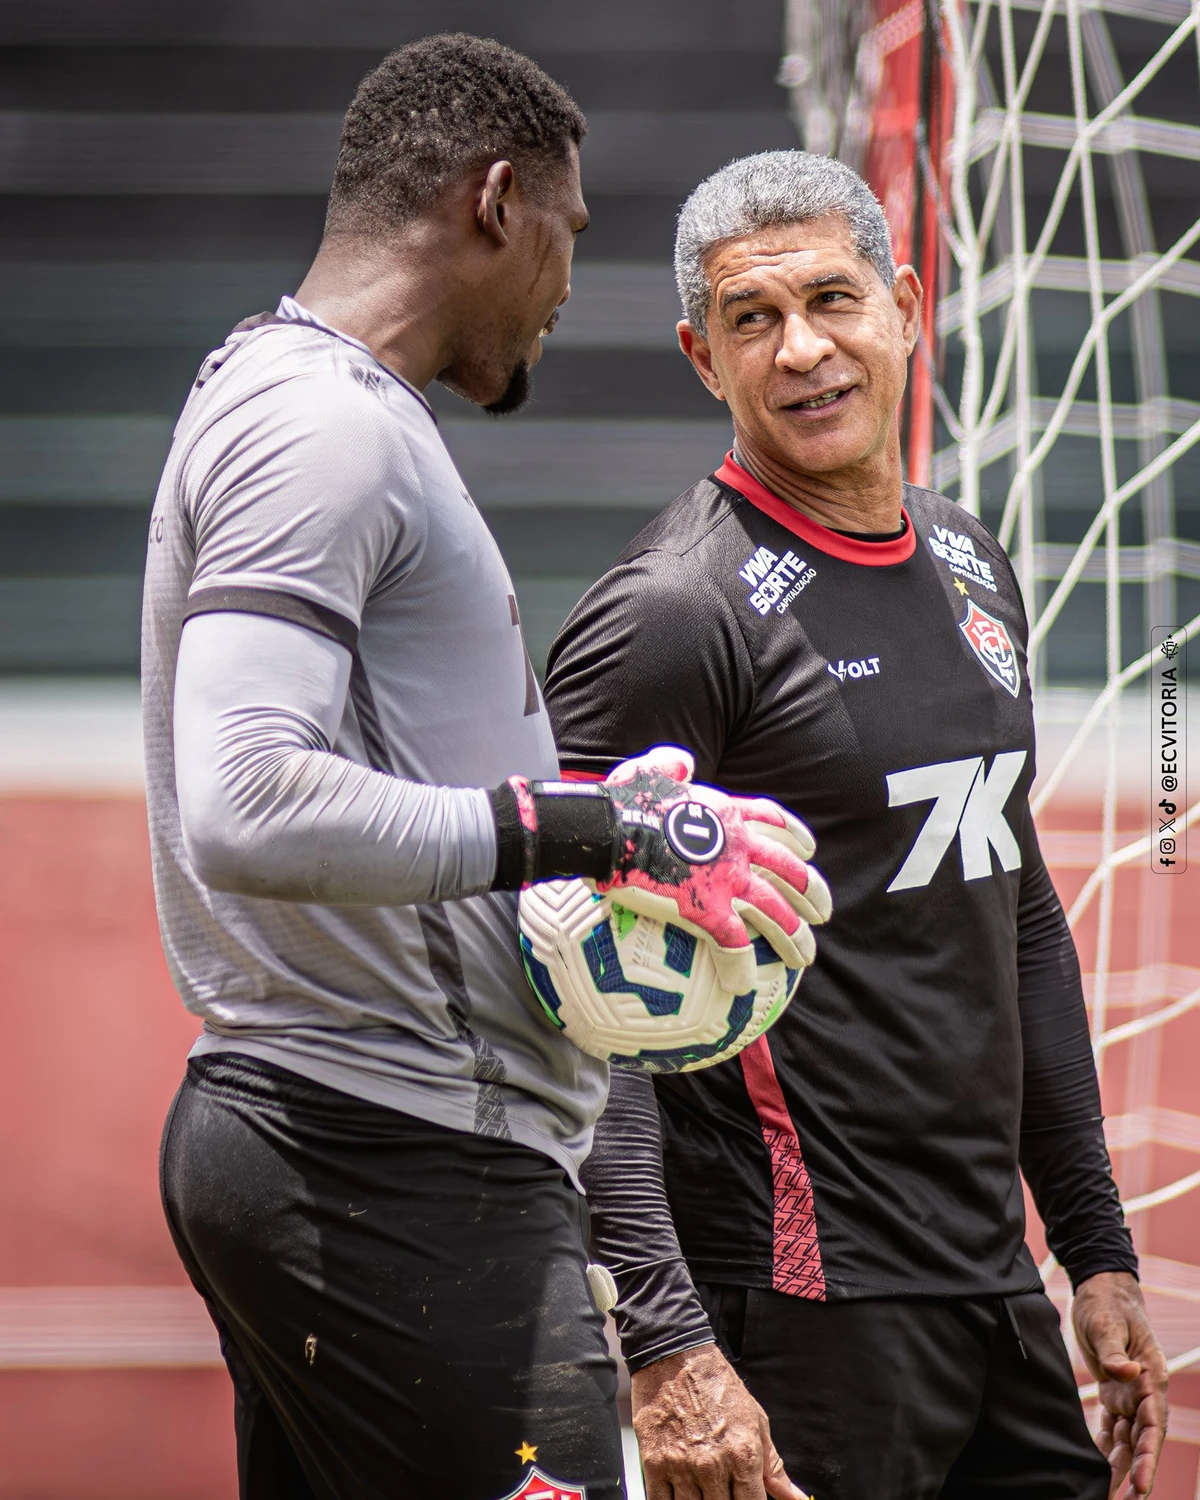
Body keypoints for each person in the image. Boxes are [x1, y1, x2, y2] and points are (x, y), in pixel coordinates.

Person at [143, 44, 823, 1500]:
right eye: (571, 234)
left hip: (360, 1143)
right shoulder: (318, 424)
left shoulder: (319, 409)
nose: (572, 286)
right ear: (498, 202)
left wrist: (578, 823)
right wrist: (593, 827)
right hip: (390, 1157)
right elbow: (246, 802)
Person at [544, 150, 1169, 1500]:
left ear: (905, 303)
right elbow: (571, 998)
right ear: (701, 356)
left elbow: (1015, 911)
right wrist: (663, 1339)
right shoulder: (672, 616)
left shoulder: (966, 559)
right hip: (798, 1309)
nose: (803, 350)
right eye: (753, 320)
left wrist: (1095, 1246)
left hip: (992, 1286)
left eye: (833, 300)